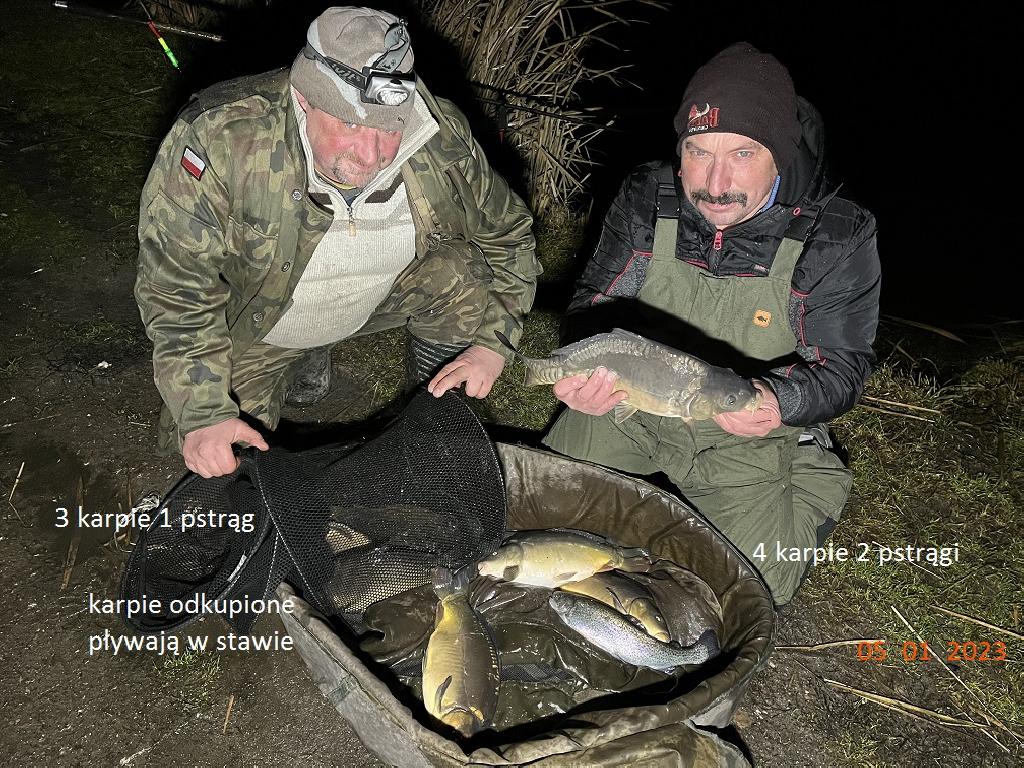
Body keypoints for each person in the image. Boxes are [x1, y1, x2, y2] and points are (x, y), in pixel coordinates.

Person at [135, 7, 540, 479]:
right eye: (350, 124)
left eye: (389, 128)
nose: (371, 155)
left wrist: (491, 346)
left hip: (375, 297)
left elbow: (509, 236)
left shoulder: (440, 135)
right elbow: (176, 285)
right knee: (224, 462)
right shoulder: (221, 137)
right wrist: (205, 413)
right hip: (261, 322)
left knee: (462, 275)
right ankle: (300, 352)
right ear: (303, 99)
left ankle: (433, 428)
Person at [542, 42, 880, 605]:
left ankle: (813, 476)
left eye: (743, 154)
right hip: (638, 403)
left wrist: (779, 399)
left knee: (751, 588)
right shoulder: (649, 195)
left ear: (779, 155)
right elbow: (595, 304)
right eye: (698, 152)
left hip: (741, 425)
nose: (715, 183)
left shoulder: (836, 233)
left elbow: (843, 371)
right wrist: (583, 366)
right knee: (540, 512)